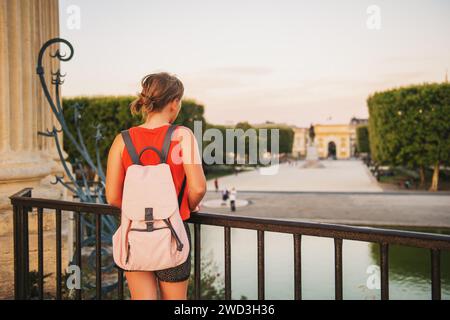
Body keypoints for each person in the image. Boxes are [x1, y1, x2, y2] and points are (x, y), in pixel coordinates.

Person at [105, 72, 206, 300]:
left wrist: (139, 209)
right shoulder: (182, 136)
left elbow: (112, 197)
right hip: (173, 233)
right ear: (173, 102)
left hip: (135, 232)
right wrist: (183, 206)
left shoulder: (122, 140)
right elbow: (198, 188)